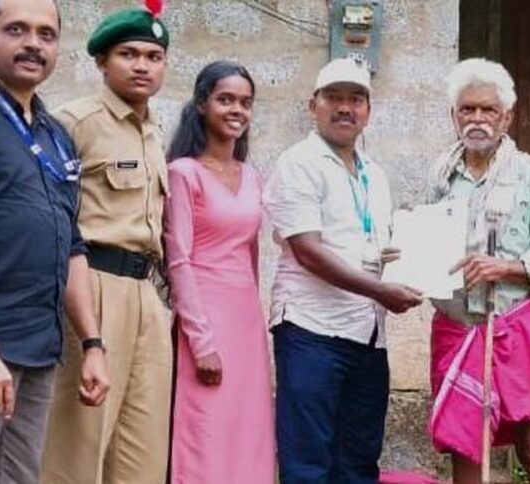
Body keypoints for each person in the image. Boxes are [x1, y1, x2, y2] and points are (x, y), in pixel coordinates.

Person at [0, 0, 109, 482]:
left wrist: (93, 344)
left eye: (46, 34)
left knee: (18, 477)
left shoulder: (56, 136)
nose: (33, 43)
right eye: (16, 30)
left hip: (38, 345)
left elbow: (71, 245)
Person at [263, 57, 425, 483]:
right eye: (333, 98)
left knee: (358, 462)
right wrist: (381, 290)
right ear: (312, 105)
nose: (344, 108)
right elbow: (309, 252)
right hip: (312, 331)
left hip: (368, 336)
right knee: (308, 463)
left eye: (356, 99)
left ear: (368, 111)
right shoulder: (298, 163)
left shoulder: (375, 174)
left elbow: (375, 246)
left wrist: (416, 264)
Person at [40, 4, 172, 484]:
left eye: (153, 57)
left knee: (143, 453)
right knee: (77, 446)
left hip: (146, 294)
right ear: (101, 61)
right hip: (92, 287)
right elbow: (52, 220)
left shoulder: (153, 131)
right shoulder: (73, 122)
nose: (142, 66)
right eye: (128, 54)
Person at [427, 58, 530, 484]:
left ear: (506, 117)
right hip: (456, 325)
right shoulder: (440, 176)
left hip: (513, 323)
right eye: (467, 109)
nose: (477, 118)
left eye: (488, 109)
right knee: (464, 440)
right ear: (454, 116)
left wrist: (503, 267)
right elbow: (430, 249)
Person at [164, 60, 275, 483]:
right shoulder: (183, 173)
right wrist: (200, 340)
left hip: (245, 322)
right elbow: (179, 260)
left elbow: (251, 255)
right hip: (205, 319)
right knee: (206, 429)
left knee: (248, 433)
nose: (237, 110)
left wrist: (256, 325)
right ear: (201, 104)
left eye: (245, 102)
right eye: (225, 99)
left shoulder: (252, 177)